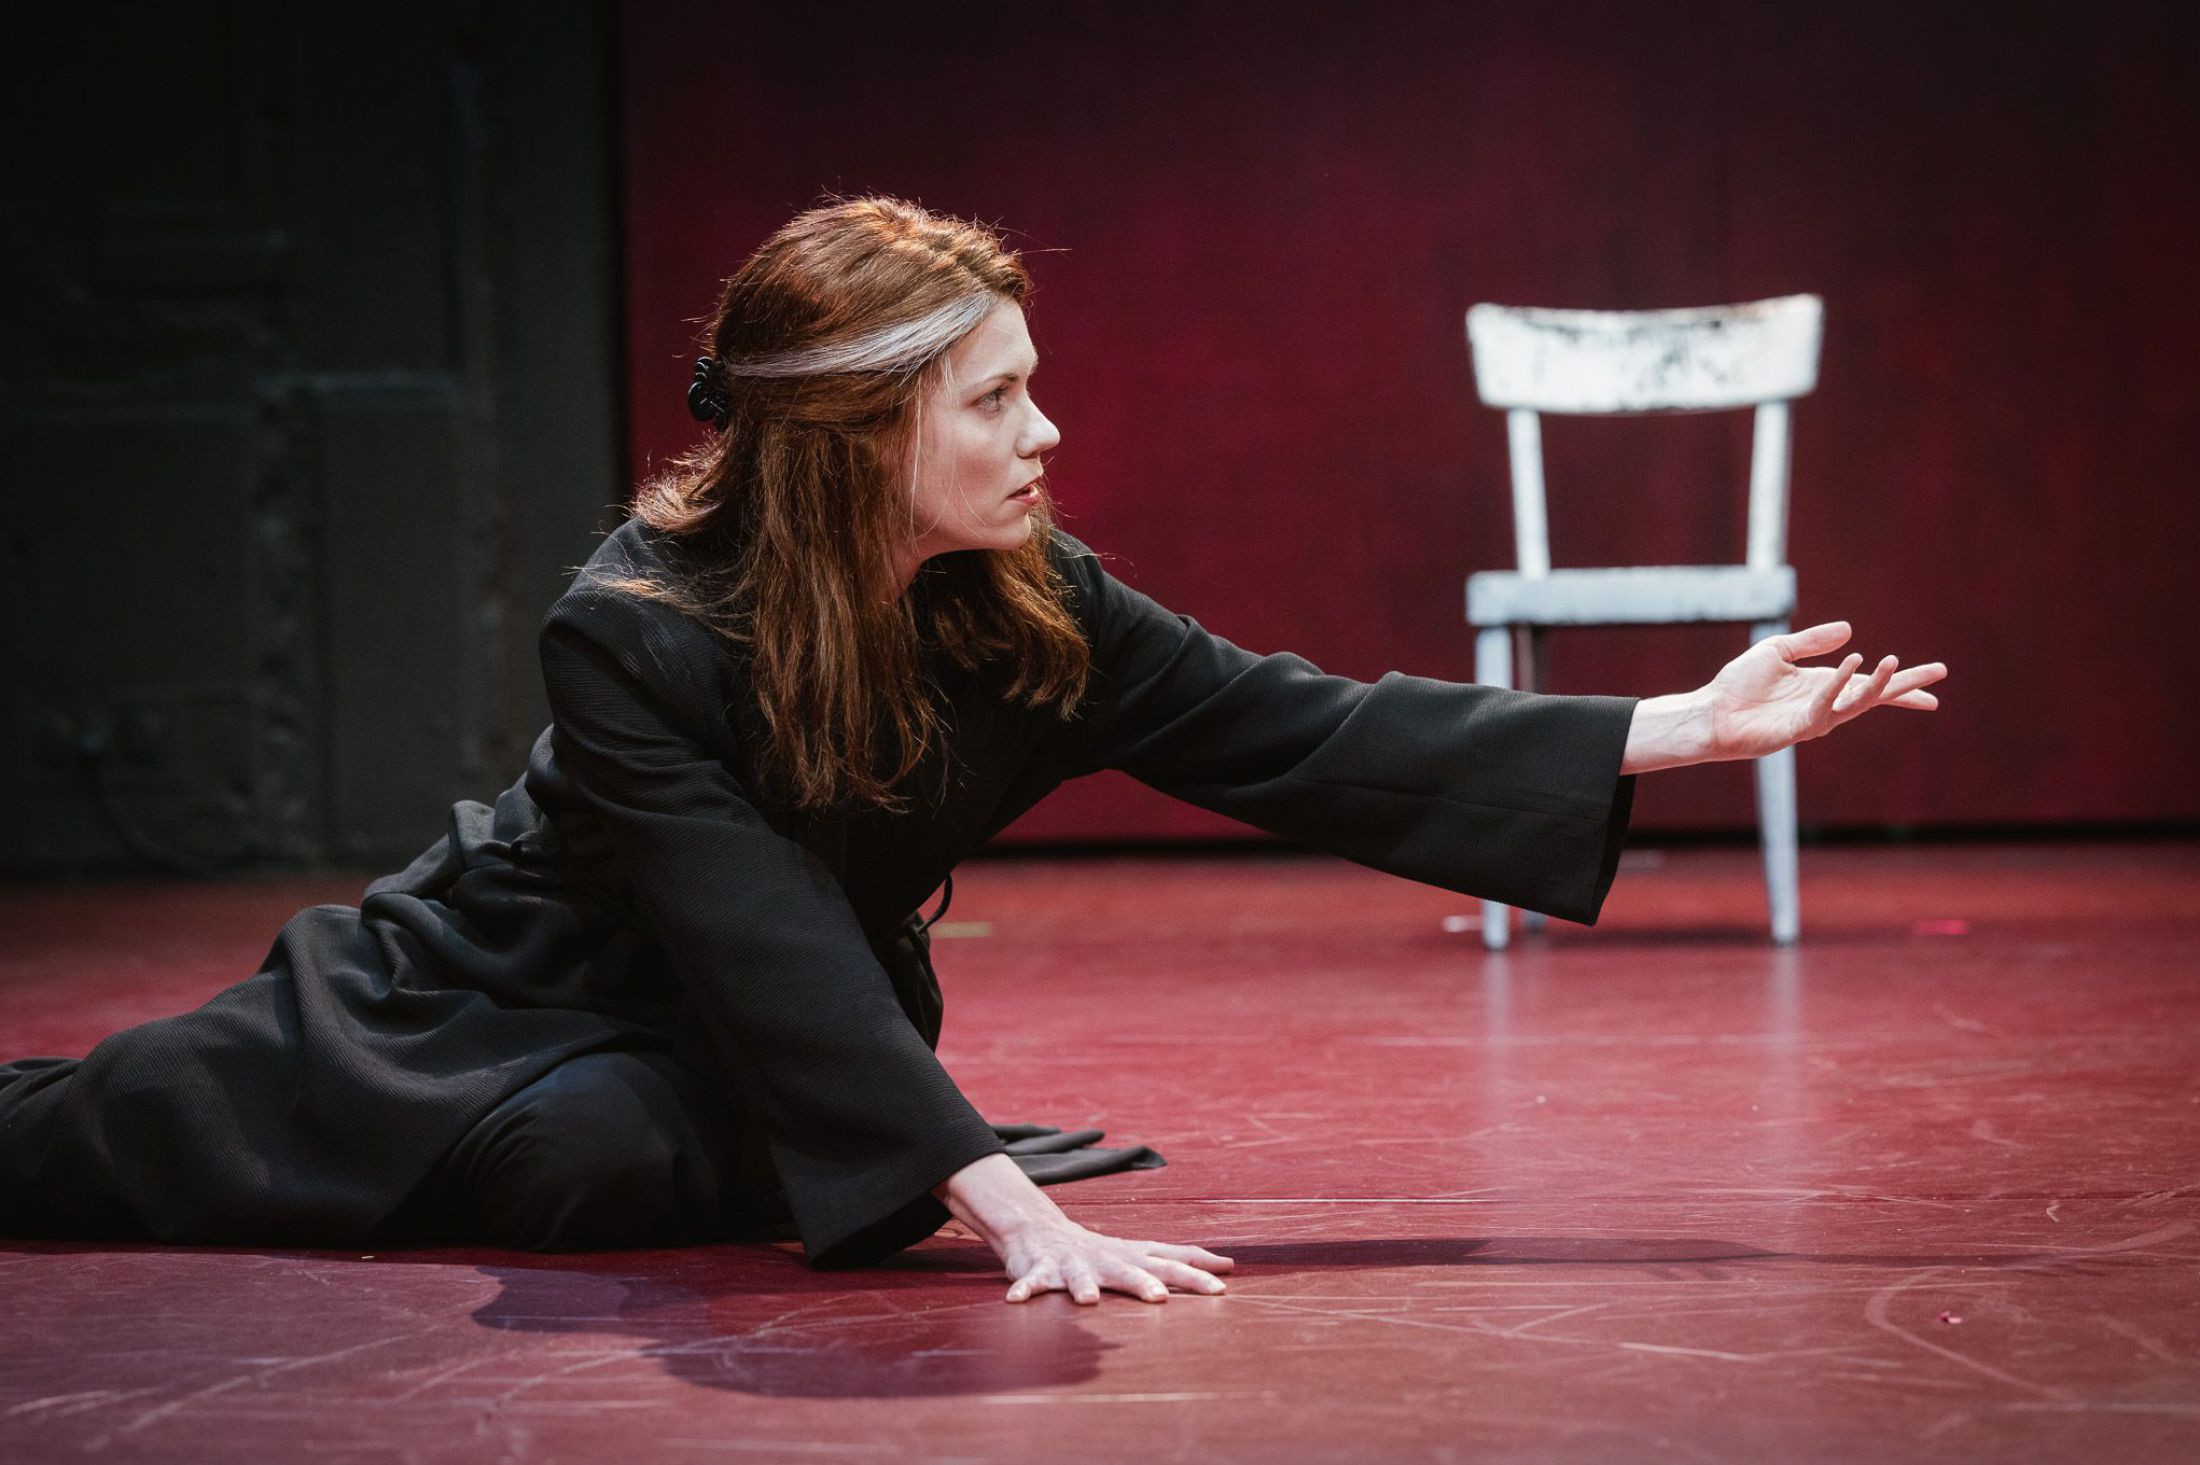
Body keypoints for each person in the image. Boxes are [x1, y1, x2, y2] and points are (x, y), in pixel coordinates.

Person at [0, 196, 1946, 1306]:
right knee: (111, 1130)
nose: (1046, 433)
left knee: (631, 1148)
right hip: (484, 990)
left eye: (1034, 387)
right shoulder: (637, 627)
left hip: (754, 1033)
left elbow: (1300, 728)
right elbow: (756, 927)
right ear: (862, 436)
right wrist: (1007, 1205)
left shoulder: (1025, 603)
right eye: (996, 400)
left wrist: (1681, 728)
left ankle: (851, 1132)